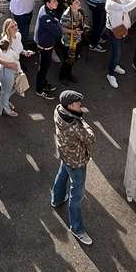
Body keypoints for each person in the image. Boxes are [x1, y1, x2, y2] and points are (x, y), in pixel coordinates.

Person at [52, 90, 95, 246]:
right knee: (76, 195)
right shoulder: (75, 126)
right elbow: (91, 137)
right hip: (77, 162)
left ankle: (56, 200)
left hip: (65, 153)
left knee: (62, 174)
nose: (80, 106)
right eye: (78, 104)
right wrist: (83, 122)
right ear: (70, 105)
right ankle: (77, 228)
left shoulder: (58, 110)